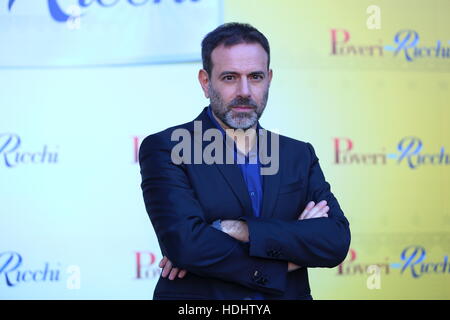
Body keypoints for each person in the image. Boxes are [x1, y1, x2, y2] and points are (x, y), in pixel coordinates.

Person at [139, 22, 351, 300]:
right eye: (229, 77)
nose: (245, 91)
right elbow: (188, 247)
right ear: (206, 82)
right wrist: (293, 247)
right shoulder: (169, 148)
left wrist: (235, 229)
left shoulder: (298, 154)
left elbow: (333, 241)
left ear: (269, 78)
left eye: (255, 77)